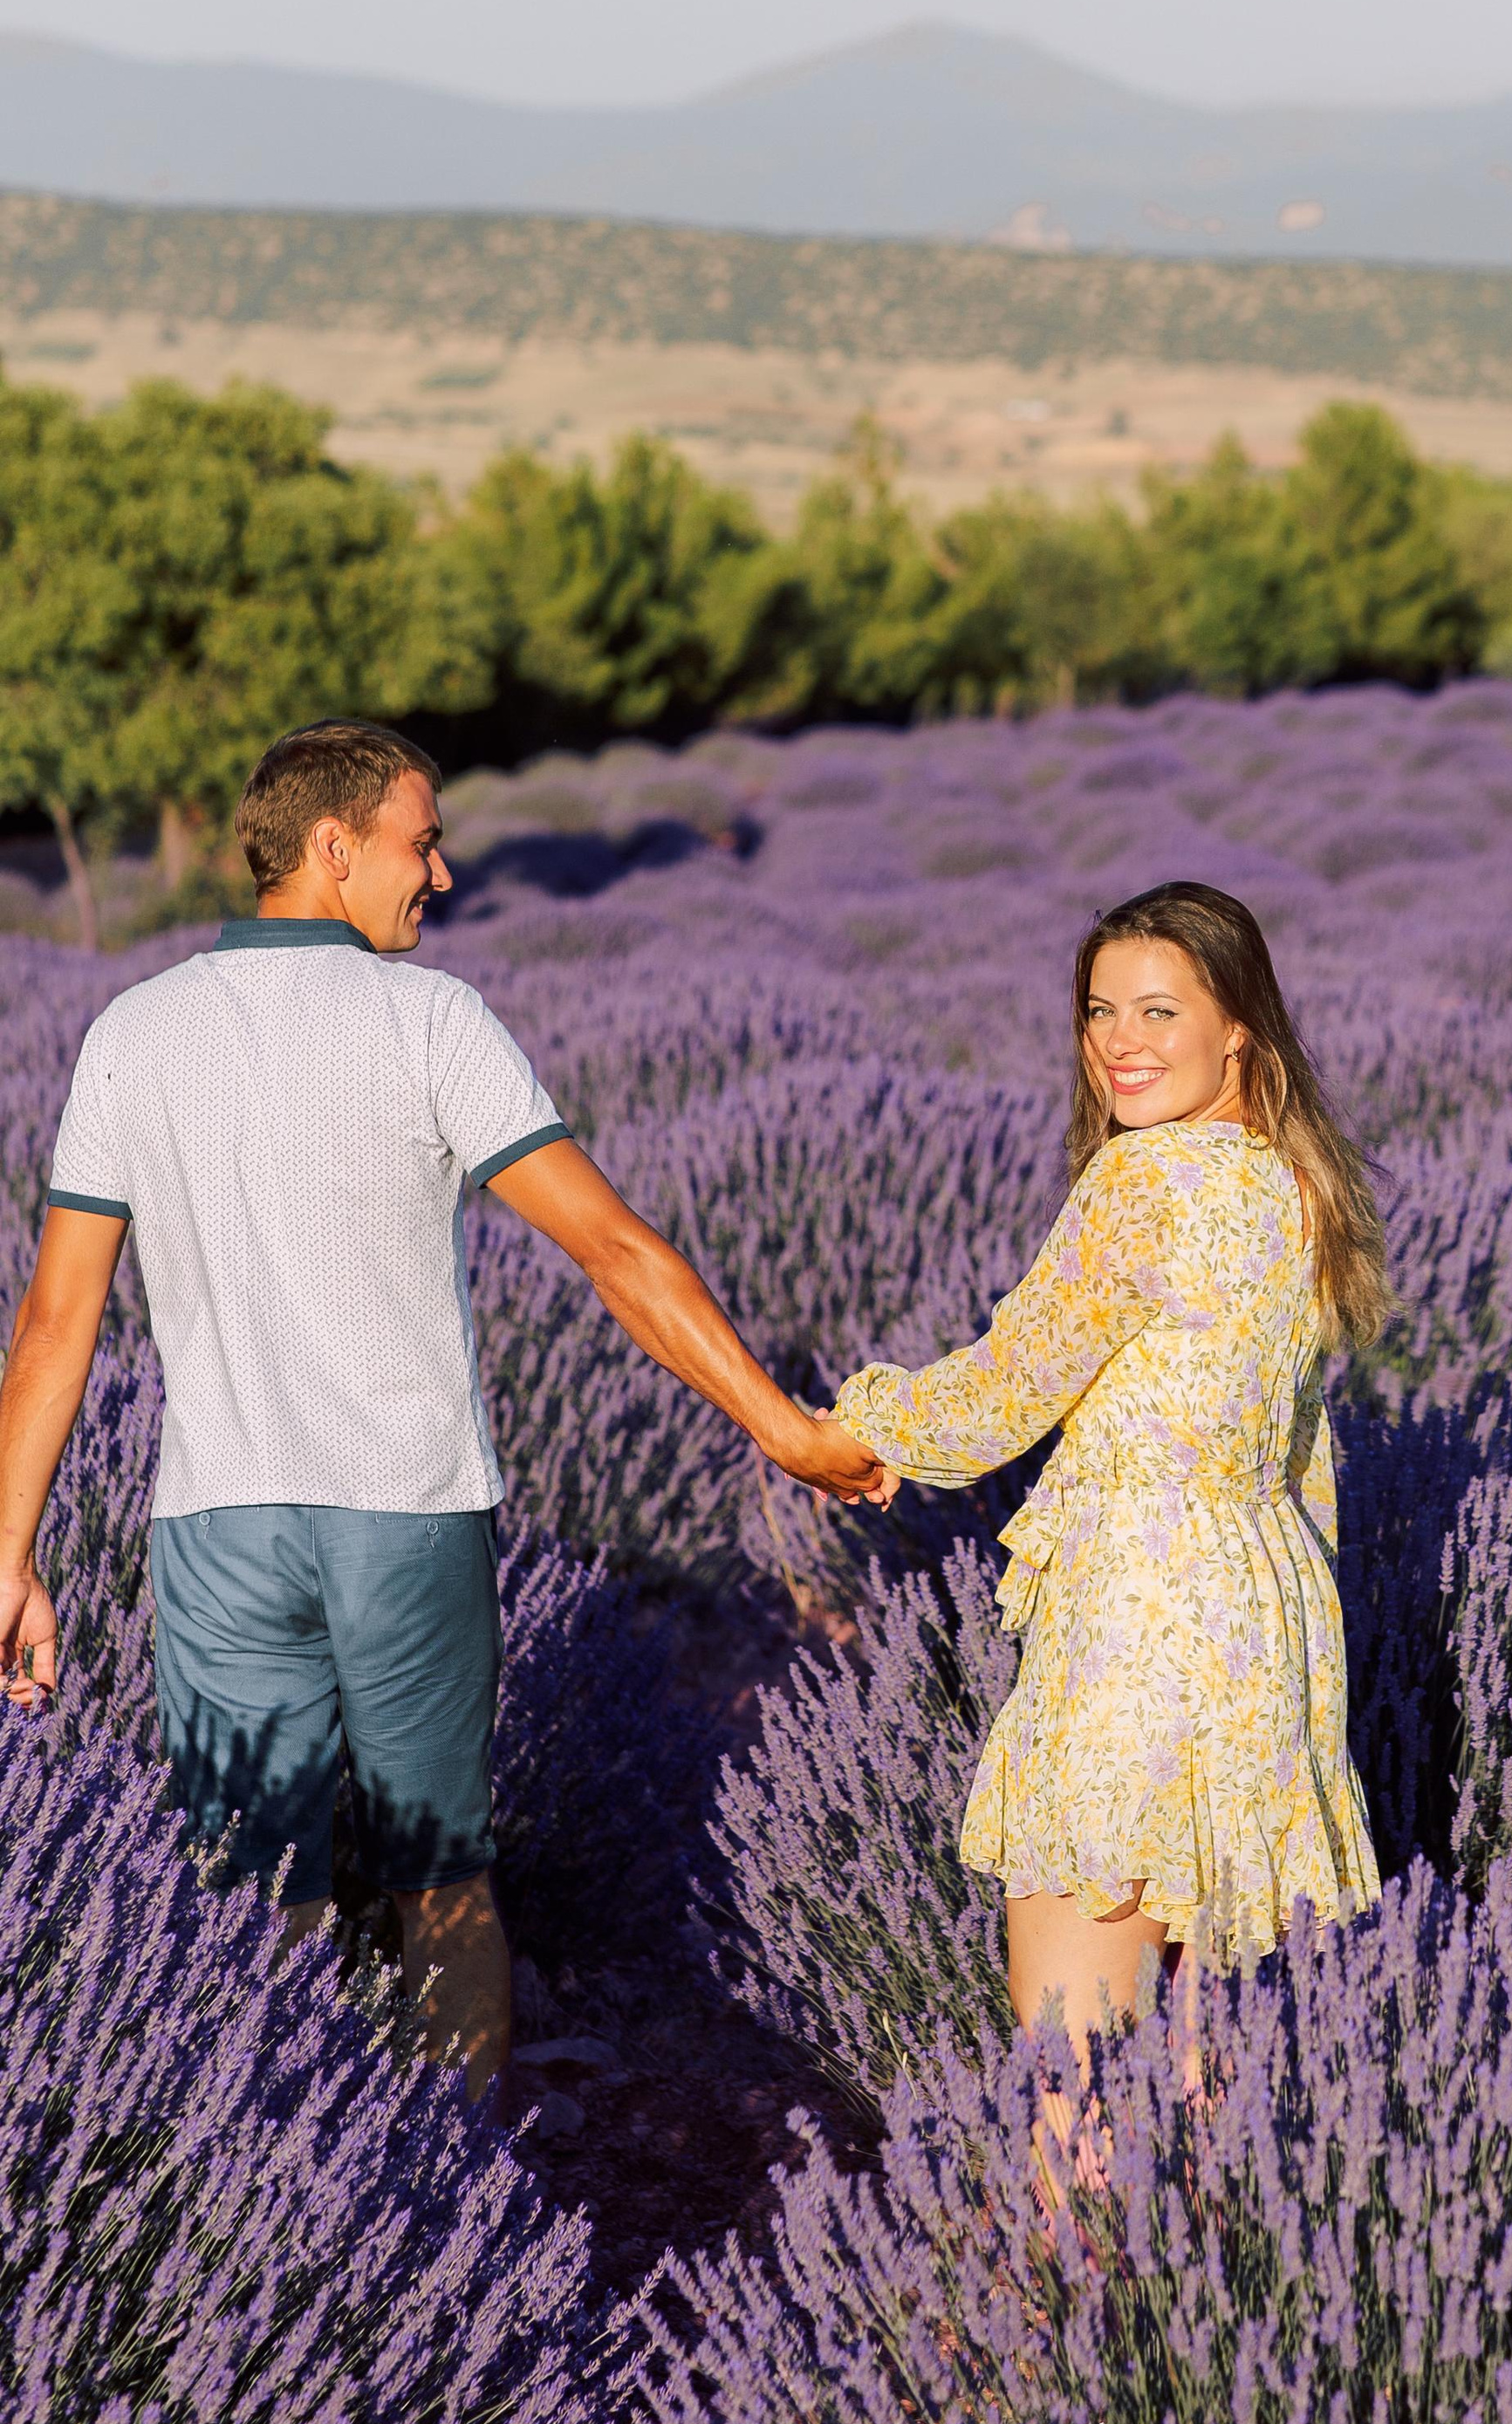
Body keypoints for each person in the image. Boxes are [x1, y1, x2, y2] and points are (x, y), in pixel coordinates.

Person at [0, 719, 889, 2102]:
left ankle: (278, 2193)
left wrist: (11, 1557)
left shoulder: (133, 1031)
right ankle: (464, 2160)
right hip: (405, 1513)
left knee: (254, 1888)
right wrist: (780, 1426)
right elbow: (615, 1252)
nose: (447, 876)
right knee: (444, 1876)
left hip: (217, 1520)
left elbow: (57, 1323)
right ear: (332, 848)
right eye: (422, 842)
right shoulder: (433, 1023)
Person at [832, 879, 1385, 2067]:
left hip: (1140, 1627)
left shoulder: (1146, 1180)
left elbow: (1004, 1391)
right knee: (1208, 2065)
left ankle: (1077, 2253)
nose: (1120, 1045)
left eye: (1157, 1012)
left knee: (1078, 2063)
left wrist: (859, 1426)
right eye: (1100, 1012)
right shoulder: (1293, 1186)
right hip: (1270, 1625)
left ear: (1239, 1023)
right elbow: (1306, 1456)